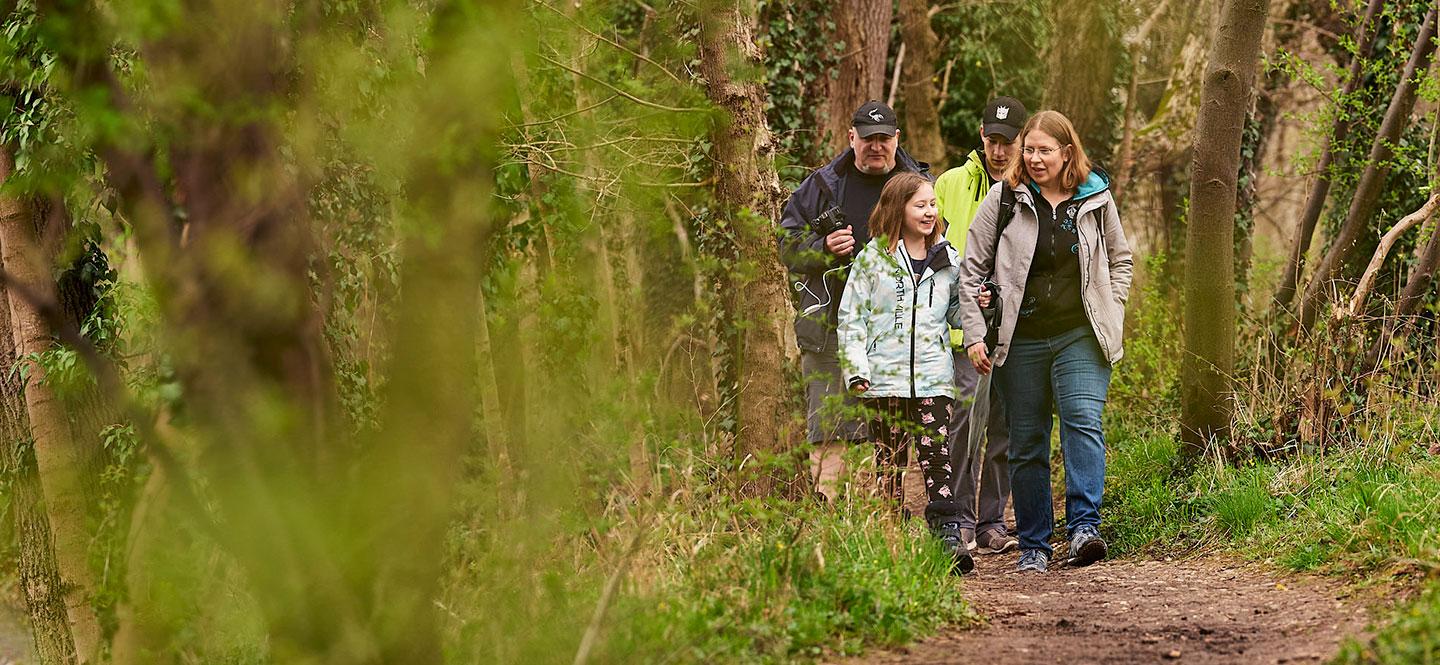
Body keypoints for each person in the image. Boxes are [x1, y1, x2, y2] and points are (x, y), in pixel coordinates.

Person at [957, 110, 1133, 573]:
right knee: (1027, 440)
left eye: (1044, 151)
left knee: (1082, 420)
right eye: (1028, 150)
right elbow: (971, 269)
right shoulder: (1005, 199)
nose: (1034, 159)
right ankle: (1034, 543)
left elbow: (1121, 260)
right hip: (1022, 339)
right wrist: (976, 332)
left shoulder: (1095, 197)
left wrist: (1112, 306)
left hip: (1081, 333)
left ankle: (1083, 529)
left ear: (1067, 153)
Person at [777, 101, 931, 500]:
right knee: (827, 424)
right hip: (830, 328)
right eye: (868, 139)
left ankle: (889, 510)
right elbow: (786, 245)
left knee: (892, 429)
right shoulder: (824, 185)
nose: (876, 146)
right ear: (852, 139)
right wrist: (823, 247)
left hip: (895, 327)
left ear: (897, 139)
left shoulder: (917, 185)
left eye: (884, 139)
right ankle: (828, 512)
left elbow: (937, 245)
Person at [836, 172, 973, 574]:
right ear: (899, 208)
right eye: (921, 205)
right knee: (889, 461)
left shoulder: (948, 258)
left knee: (937, 456)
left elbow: (957, 314)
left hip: (933, 378)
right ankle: (889, 532)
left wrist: (982, 303)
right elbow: (851, 318)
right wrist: (857, 371)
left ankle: (947, 537)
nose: (931, 212)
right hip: (884, 380)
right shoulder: (872, 259)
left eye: (933, 204)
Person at [933, 96, 1025, 555]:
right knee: (966, 421)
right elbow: (928, 250)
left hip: (1015, 329)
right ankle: (960, 519)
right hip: (961, 332)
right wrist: (965, 295)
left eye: (1009, 142)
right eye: (993, 140)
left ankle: (993, 520)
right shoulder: (950, 184)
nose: (1000, 150)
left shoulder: (1030, 188)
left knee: (1005, 425)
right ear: (981, 137)